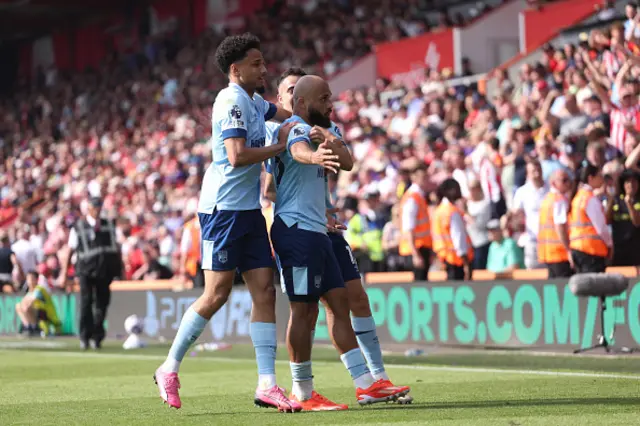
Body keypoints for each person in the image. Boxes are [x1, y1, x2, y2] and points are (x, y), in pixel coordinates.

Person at [153, 33, 298, 412]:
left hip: (248, 210)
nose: (264, 69)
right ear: (236, 70)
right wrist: (280, 146)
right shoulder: (230, 100)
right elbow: (235, 156)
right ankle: (168, 367)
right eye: (256, 64)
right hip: (221, 212)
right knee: (216, 294)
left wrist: (311, 118)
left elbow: (282, 114)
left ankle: (267, 383)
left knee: (265, 291)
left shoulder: (252, 99)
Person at [265, 69, 411, 409]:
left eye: (330, 98)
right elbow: (299, 149)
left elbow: (346, 162)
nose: (331, 104)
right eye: (325, 99)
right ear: (302, 102)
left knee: (339, 305)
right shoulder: (292, 128)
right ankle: (303, 392)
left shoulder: (324, 129)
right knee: (303, 312)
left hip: (319, 231)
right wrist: (315, 154)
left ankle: (366, 385)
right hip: (295, 231)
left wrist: (329, 141)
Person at [58, 197, 123, 350]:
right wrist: (64, 273)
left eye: (99, 206)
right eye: (95, 207)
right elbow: (70, 250)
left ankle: (97, 336)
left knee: (102, 304)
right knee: (86, 303)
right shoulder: (79, 227)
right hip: (85, 270)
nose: (98, 210)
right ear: (89, 208)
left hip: (104, 270)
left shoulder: (108, 225)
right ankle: (85, 336)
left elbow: (116, 248)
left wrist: (119, 269)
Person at [569, 163, 613, 273]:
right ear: (590, 178)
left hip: (577, 248)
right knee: (595, 288)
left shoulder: (577, 197)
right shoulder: (590, 199)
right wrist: (609, 244)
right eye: (599, 176)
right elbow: (601, 227)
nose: (602, 179)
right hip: (591, 250)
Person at [432, 178, 473, 280]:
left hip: (444, 258)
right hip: (456, 260)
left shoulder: (439, 210)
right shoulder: (452, 211)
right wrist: (465, 263)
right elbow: (458, 237)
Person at [512, 159, 549, 269]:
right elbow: (516, 214)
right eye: (533, 171)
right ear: (528, 174)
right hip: (532, 240)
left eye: (539, 170)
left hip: (550, 240)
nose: (537, 173)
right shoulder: (522, 192)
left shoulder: (551, 189)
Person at [398, 164, 432, 281]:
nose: (427, 181)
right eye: (424, 178)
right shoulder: (412, 198)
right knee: (418, 285)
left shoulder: (419, 196)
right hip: (416, 248)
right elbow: (409, 228)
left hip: (421, 247)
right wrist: (415, 254)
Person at [538, 169, 574, 278]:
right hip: (560, 254)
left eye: (568, 180)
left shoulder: (547, 199)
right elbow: (560, 226)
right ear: (553, 183)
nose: (568, 183)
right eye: (564, 180)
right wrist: (568, 250)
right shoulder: (559, 200)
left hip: (549, 253)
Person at [606, 168, 640, 266]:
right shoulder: (616, 200)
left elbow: (637, 222)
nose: (631, 184)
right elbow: (607, 220)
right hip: (618, 249)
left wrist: (629, 203)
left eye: (634, 181)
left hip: (636, 250)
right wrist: (611, 197)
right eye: (628, 181)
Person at [15, 271, 61, 337]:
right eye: (28, 279)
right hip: (38, 313)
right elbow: (22, 302)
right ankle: (28, 326)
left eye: (31, 279)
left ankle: (35, 327)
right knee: (18, 306)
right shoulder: (30, 291)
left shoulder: (39, 289)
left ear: (36, 280)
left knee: (27, 306)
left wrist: (25, 302)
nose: (29, 281)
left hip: (47, 315)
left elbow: (31, 301)